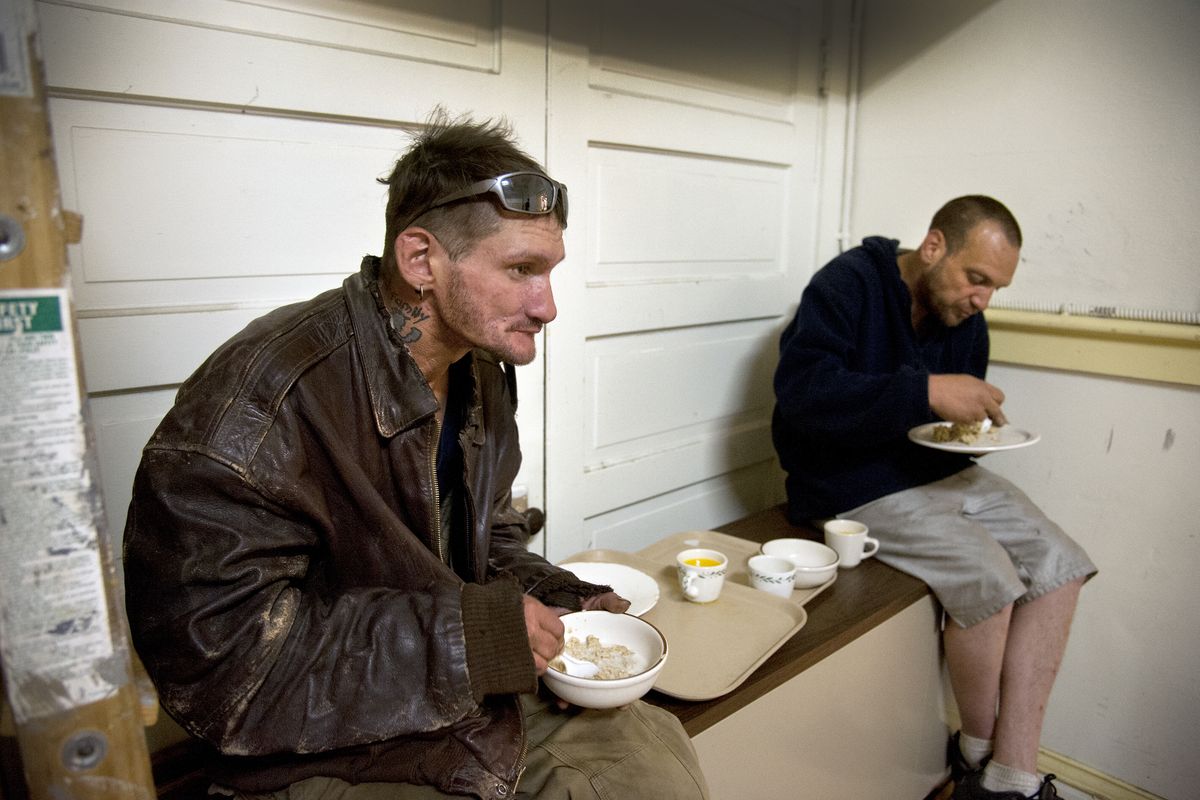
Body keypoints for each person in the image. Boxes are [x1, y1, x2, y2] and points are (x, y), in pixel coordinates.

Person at [123, 110, 710, 800]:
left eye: (549, 272)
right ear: (421, 260)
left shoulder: (479, 371)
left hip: (443, 692)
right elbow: (219, 670)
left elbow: (489, 537)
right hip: (302, 747)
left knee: (647, 754)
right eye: (521, 269)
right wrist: (468, 638)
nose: (546, 305)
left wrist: (563, 600)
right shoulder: (264, 401)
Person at [771, 196, 1096, 800]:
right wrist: (926, 391)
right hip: (846, 485)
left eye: (995, 288)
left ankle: (1012, 772)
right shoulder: (848, 284)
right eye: (977, 279)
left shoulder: (964, 317)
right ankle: (977, 752)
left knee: (1063, 564)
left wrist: (968, 423)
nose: (982, 300)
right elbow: (803, 395)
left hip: (934, 474)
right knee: (990, 576)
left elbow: (948, 433)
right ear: (934, 246)